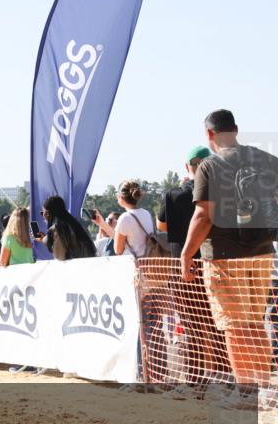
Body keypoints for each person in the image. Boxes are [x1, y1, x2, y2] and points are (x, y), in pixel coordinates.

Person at [181, 110, 278, 405]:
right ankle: (266, 390)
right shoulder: (265, 160)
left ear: (209, 135)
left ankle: (246, 393)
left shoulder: (209, 166)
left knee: (235, 327)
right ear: (235, 129)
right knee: (254, 322)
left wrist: (186, 254)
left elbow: (203, 216)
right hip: (261, 251)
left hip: (224, 255)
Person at [157, 146, 229, 398]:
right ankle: (226, 379)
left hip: (186, 267)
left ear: (188, 166)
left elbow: (162, 224)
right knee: (221, 325)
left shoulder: (174, 195)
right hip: (216, 265)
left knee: (192, 327)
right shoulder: (224, 192)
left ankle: (196, 383)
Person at [36, 195, 97, 260]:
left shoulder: (58, 228)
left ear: (48, 213)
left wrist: (46, 240)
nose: (43, 216)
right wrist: (45, 239)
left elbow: (59, 256)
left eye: (43, 213)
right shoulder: (74, 224)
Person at [110, 180, 156, 257]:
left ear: (121, 197)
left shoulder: (125, 218)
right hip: (148, 262)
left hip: (134, 264)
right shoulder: (146, 213)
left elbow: (118, 250)